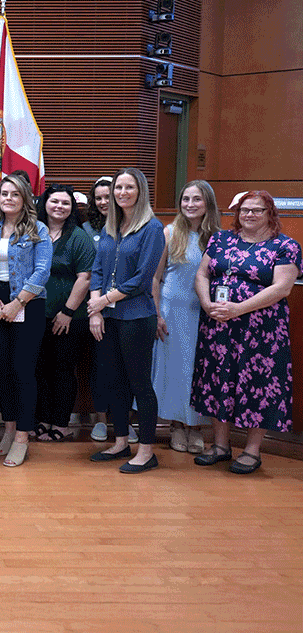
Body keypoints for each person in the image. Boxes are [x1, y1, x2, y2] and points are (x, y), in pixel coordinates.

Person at [191, 191, 301, 474]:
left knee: (260, 386)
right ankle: (220, 445)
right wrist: (207, 303)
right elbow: (203, 274)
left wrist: (238, 308)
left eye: (257, 210)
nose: (249, 215)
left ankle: (252, 451)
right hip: (219, 326)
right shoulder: (220, 240)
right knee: (220, 380)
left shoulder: (285, 246)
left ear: (270, 214)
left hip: (262, 331)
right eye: (244, 210)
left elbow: (281, 288)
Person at [86, 168, 165, 473]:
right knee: (114, 382)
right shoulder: (111, 227)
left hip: (136, 317)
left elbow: (142, 279)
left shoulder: (152, 228)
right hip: (108, 317)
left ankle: (146, 451)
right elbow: (98, 270)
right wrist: (96, 308)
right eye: (118, 187)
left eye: (128, 188)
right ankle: (120, 442)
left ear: (140, 191)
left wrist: (103, 300)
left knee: (139, 383)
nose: (122, 193)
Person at [0, 175, 52, 467]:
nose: (8, 198)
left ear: (25, 199)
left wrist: (17, 302)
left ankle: (23, 436)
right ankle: (9, 429)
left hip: (27, 303)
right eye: (4, 193)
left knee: (23, 372)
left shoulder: (38, 229)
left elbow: (42, 271)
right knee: (3, 371)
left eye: (14, 194)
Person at [150, 180, 220, 455]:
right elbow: (155, 278)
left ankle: (196, 427)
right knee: (174, 371)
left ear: (208, 204)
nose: (190, 205)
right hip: (172, 311)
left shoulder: (218, 237)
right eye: (186, 199)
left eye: (197, 200)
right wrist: (156, 314)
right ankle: (177, 425)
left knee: (199, 371)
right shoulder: (169, 232)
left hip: (204, 314)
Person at [31, 184, 95, 442]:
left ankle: (61, 421)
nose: (59, 207)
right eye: (54, 201)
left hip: (69, 318)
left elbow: (85, 277)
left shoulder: (79, 237)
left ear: (72, 208)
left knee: (62, 369)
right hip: (36, 314)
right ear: (44, 204)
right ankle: (44, 419)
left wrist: (67, 311)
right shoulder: (35, 232)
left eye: (65, 203)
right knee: (39, 368)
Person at [83, 175, 115, 442]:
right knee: (101, 365)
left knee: (125, 367)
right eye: (99, 198)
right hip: (95, 306)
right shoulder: (85, 229)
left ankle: (123, 423)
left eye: (108, 196)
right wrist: (96, 308)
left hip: (125, 305)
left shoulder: (132, 227)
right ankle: (100, 419)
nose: (104, 202)